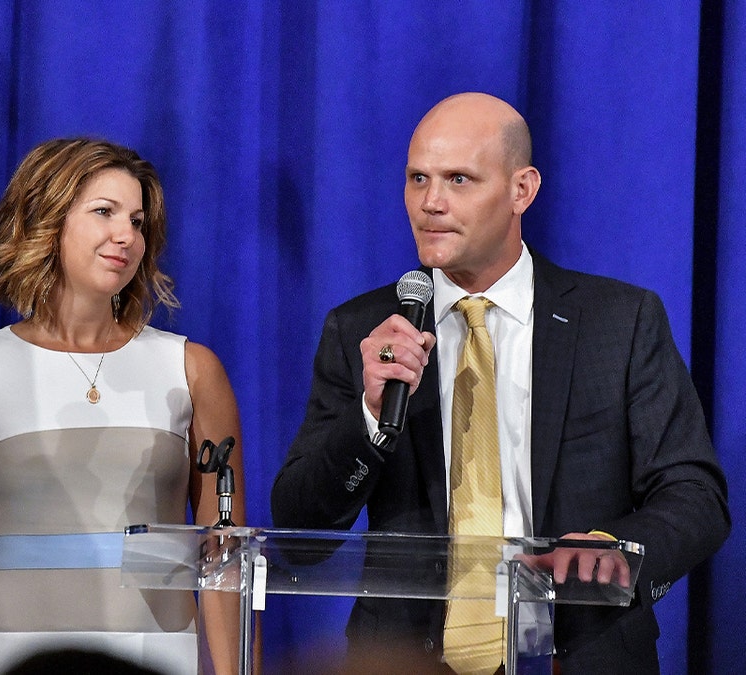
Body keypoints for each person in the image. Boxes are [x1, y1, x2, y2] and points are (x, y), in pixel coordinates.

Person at [271, 92, 729, 674]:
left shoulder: (619, 321)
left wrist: (614, 551)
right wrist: (367, 415)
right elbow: (298, 532)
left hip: (578, 653)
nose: (430, 203)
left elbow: (694, 495)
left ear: (522, 190)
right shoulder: (363, 331)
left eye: (458, 179)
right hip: (405, 659)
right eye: (417, 179)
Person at [0, 138, 245, 674]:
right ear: (46, 220)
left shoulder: (191, 369)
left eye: (137, 221)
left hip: (154, 658)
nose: (126, 236)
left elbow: (224, 563)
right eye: (104, 213)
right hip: (10, 658)